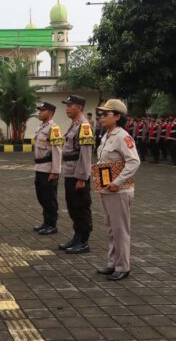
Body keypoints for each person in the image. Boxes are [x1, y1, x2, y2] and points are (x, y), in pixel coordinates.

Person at [95, 99, 140, 281]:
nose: (101, 117)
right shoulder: (106, 135)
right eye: (101, 114)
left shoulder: (123, 137)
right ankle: (112, 263)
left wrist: (118, 182)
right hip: (107, 188)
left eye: (106, 114)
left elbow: (134, 161)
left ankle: (123, 266)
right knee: (111, 228)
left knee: (120, 229)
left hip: (119, 191)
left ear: (118, 117)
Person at [59, 95, 94, 254]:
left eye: (70, 105)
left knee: (80, 207)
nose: (67, 108)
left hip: (78, 175)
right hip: (69, 172)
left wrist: (82, 177)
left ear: (80, 107)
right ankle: (77, 236)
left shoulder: (84, 126)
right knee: (72, 206)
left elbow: (85, 154)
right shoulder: (73, 125)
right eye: (66, 105)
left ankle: (83, 241)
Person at [32, 102, 62, 235]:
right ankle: (46, 222)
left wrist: (55, 171)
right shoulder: (41, 127)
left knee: (49, 197)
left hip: (48, 168)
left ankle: (52, 224)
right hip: (39, 167)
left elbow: (57, 151)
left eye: (42, 110)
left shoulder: (53, 128)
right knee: (42, 196)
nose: (40, 112)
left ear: (49, 112)